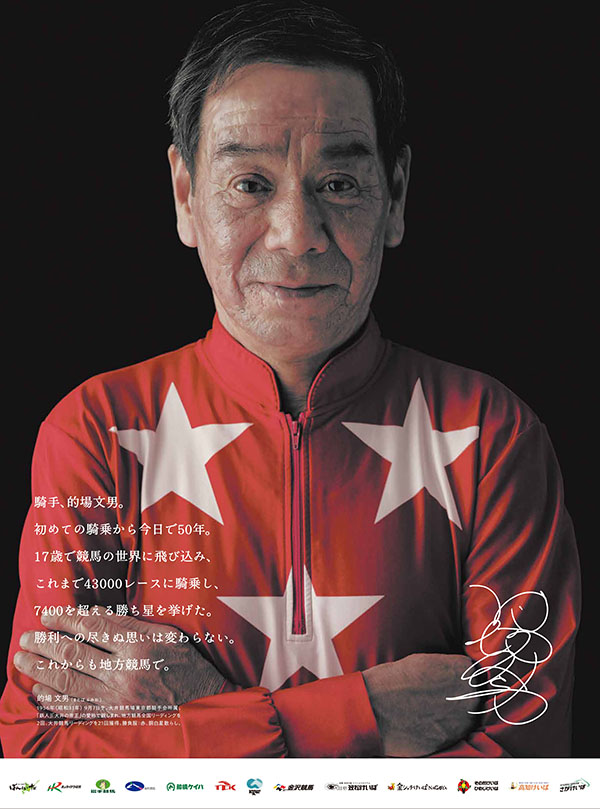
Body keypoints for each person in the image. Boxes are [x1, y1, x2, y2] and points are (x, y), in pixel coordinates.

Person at [0, 0, 580, 758]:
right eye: (249, 184)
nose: (297, 235)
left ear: (396, 196)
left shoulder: (490, 435)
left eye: (338, 182)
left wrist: (191, 712)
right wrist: (365, 713)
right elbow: (40, 760)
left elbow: (521, 776)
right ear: (185, 197)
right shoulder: (97, 432)